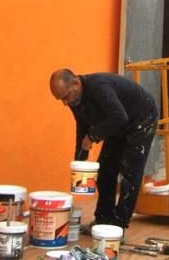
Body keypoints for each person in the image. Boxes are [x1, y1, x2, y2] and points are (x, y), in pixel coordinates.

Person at [49, 68, 158, 230]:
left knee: (130, 172)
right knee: (105, 169)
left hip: (141, 120)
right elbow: (82, 127)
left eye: (65, 97)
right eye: (60, 100)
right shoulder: (75, 99)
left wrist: (93, 136)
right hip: (117, 123)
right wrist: (80, 160)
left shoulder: (99, 87)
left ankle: (118, 225)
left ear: (76, 83)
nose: (65, 103)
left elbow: (119, 116)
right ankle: (103, 219)